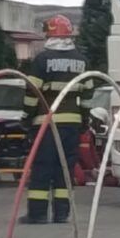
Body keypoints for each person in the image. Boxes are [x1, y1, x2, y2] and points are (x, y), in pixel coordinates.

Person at [21, 14, 92, 224]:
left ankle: (38, 214)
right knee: (65, 168)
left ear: (50, 35)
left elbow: (32, 92)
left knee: (43, 167)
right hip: (72, 125)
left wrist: (26, 117)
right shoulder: (81, 60)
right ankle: (62, 213)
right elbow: (87, 96)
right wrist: (84, 121)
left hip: (47, 124)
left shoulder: (42, 60)